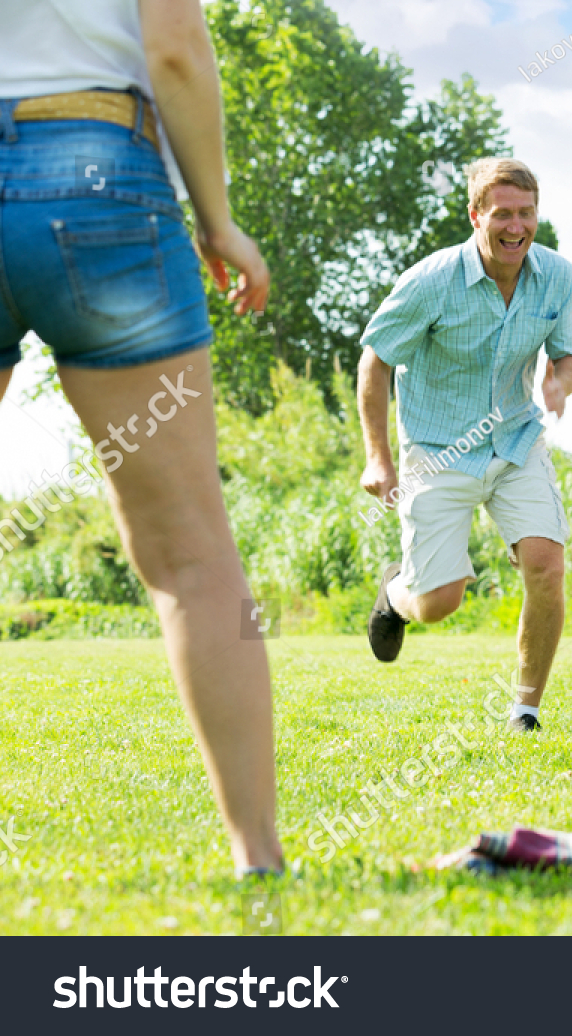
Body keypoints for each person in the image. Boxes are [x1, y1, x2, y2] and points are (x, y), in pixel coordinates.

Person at [0, 0, 281, 875]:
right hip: (98, 169)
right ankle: (258, 860)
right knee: (192, 557)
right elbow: (176, 49)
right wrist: (218, 219)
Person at [358, 157, 572, 733]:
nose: (516, 227)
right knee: (439, 603)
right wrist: (378, 457)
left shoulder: (556, 275)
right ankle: (395, 591)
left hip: (516, 440)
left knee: (546, 564)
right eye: (502, 214)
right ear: (475, 215)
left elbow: (568, 355)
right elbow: (375, 359)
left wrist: (561, 381)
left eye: (526, 213)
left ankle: (525, 712)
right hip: (438, 449)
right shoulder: (431, 280)